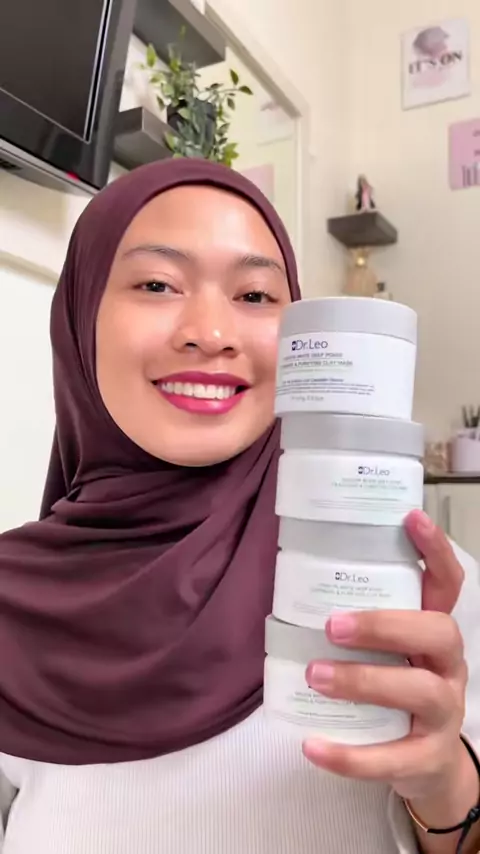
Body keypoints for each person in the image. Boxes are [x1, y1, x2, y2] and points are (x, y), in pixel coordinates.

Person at [0, 158, 479, 854]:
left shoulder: (409, 584)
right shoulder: (12, 602)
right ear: (78, 320)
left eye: (255, 295)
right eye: (157, 284)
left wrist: (448, 786)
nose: (211, 332)